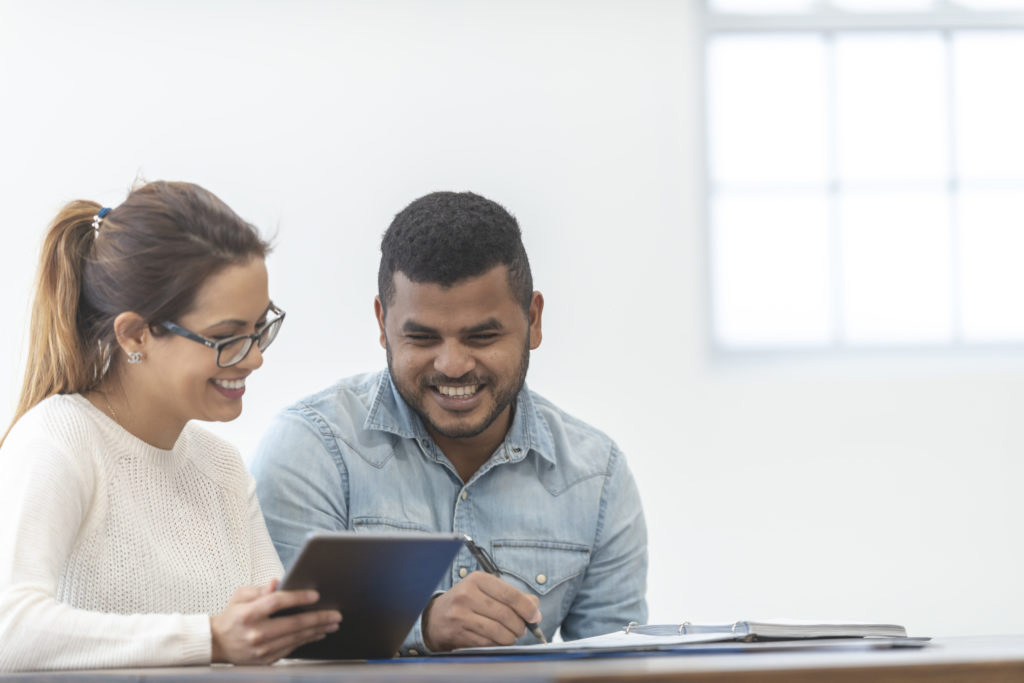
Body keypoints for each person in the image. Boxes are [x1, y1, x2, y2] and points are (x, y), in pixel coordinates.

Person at [251, 191, 647, 654]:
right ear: (382, 323)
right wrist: (424, 626)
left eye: (483, 336)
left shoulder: (597, 477)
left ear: (534, 320)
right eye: (422, 337)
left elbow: (617, 665)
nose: (453, 365)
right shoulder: (311, 450)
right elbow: (281, 654)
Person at [0, 181, 342, 672]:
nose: (256, 358)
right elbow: (9, 629)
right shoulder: (58, 440)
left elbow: (271, 653)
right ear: (136, 333)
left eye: (259, 327)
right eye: (226, 337)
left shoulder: (221, 467)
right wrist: (211, 639)